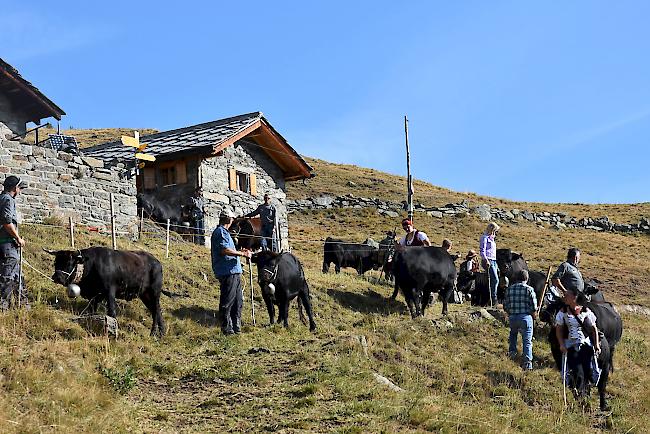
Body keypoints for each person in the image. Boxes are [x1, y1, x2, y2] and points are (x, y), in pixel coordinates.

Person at [211, 211, 252, 335]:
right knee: (228, 300)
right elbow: (224, 250)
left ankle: (236, 326)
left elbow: (229, 250)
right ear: (229, 219)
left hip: (234, 270)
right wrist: (242, 254)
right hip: (227, 271)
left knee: (238, 300)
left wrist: (240, 251)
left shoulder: (226, 233)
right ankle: (226, 328)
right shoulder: (220, 232)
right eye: (232, 218)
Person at [555, 289, 602, 389]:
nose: (564, 297)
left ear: (574, 298)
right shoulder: (563, 312)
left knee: (589, 368)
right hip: (571, 345)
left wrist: (597, 344)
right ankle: (577, 389)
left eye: (567, 295)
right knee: (576, 370)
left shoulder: (585, 311)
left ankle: (589, 383)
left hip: (584, 344)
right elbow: (559, 330)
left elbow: (594, 329)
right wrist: (562, 344)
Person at [0, 175, 28, 311]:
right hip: (7, 244)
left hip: (6, 244)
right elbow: (7, 222)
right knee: (8, 276)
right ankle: (3, 307)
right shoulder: (7, 199)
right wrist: (18, 238)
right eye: (20, 188)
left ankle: (22, 306)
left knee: (17, 275)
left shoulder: (2, 198)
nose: (20, 191)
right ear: (15, 188)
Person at [504, 270, 538, 370]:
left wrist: (510, 312)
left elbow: (505, 305)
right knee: (527, 340)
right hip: (525, 317)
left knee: (513, 335)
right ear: (527, 278)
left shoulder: (510, 289)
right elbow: (534, 306)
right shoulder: (529, 289)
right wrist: (534, 314)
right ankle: (527, 363)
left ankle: (512, 354)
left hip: (513, 316)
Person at [479, 222, 500, 306]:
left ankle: (492, 297)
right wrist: (486, 260)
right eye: (494, 231)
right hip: (488, 260)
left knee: (496, 279)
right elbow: (482, 250)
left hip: (494, 260)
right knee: (495, 279)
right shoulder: (485, 238)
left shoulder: (492, 239)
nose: (495, 233)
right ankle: (493, 299)